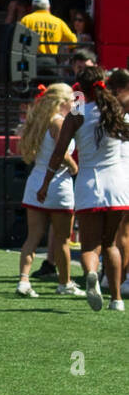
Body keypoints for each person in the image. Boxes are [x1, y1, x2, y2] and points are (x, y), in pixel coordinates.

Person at [38, 67, 129, 311]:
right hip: (118, 185)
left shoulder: (78, 111)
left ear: (80, 88)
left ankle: (91, 274)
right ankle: (117, 300)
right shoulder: (116, 110)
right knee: (110, 244)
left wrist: (46, 182)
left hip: (89, 182)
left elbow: (60, 151)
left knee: (90, 246)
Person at [17, 83, 83, 298]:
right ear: (62, 101)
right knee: (63, 239)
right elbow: (61, 152)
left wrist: (80, 95)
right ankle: (65, 283)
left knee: (32, 237)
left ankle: (24, 281)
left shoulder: (39, 119)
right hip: (58, 185)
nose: (75, 103)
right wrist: (75, 168)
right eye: (71, 100)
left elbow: (80, 117)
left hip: (35, 180)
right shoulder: (58, 122)